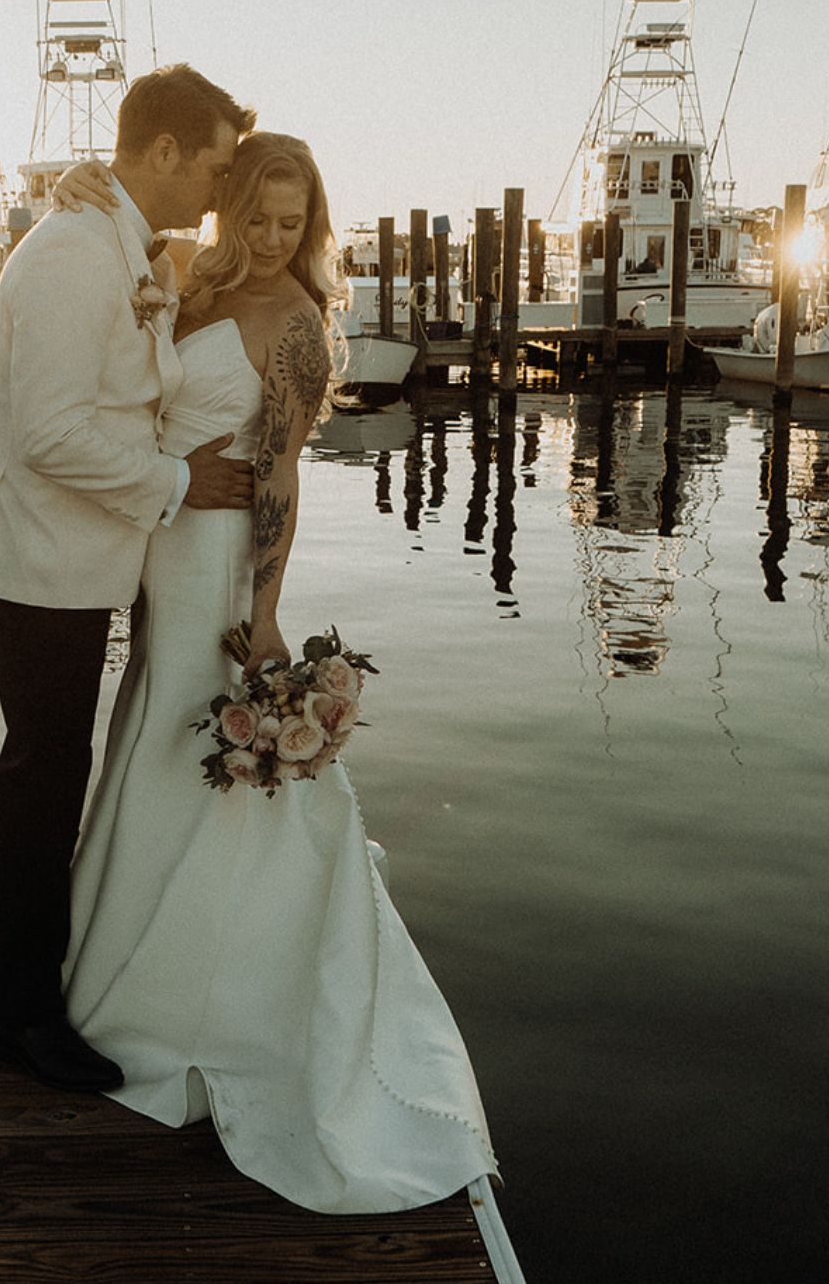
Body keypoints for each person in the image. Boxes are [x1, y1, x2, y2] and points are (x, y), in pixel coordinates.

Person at [50, 135, 501, 1213]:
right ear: (228, 208)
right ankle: (130, 946)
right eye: (256, 215)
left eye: (290, 223)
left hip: (214, 567)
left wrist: (260, 615)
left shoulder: (294, 326)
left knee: (193, 744)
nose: (269, 237)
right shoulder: (183, 283)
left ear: (311, 228)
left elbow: (280, 478)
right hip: (156, 546)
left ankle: (215, 981)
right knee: (149, 735)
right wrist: (72, 187)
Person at [0, 64, 257, 1093]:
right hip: (41, 557)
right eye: (211, 167)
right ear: (163, 152)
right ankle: (24, 1018)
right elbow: (46, 433)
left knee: (56, 773)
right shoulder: (74, 253)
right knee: (43, 777)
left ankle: (43, 987)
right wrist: (174, 480)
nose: (217, 192)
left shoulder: (128, 248)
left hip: (86, 557)